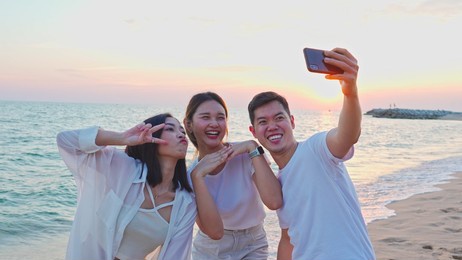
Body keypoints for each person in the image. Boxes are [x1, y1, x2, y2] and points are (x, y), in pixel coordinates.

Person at [247, 48, 376, 260]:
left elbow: (347, 135)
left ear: (292, 121)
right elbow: (288, 238)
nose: (272, 126)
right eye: (263, 121)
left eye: (279, 118)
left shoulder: (316, 149)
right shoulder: (278, 183)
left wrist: (350, 93)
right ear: (253, 132)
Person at [56, 113, 197, 260]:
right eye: (170, 129)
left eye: (182, 131)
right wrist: (122, 138)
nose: (181, 134)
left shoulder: (184, 203)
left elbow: (175, 256)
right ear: (151, 137)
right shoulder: (124, 168)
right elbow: (66, 141)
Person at [183, 91, 283, 260]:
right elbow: (214, 232)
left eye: (220, 118)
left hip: (253, 243)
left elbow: (274, 201)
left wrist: (253, 146)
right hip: (211, 249)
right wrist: (197, 177)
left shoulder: (246, 154)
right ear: (189, 124)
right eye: (205, 117)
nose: (214, 123)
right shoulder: (191, 176)